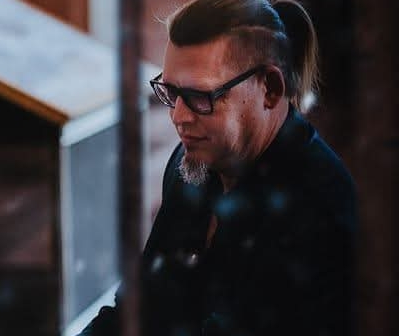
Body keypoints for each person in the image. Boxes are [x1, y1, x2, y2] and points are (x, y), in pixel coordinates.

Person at [80, 0, 356, 335]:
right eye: (171, 92)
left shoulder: (319, 210)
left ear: (270, 89)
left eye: (201, 96)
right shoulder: (191, 165)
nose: (178, 116)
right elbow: (140, 307)